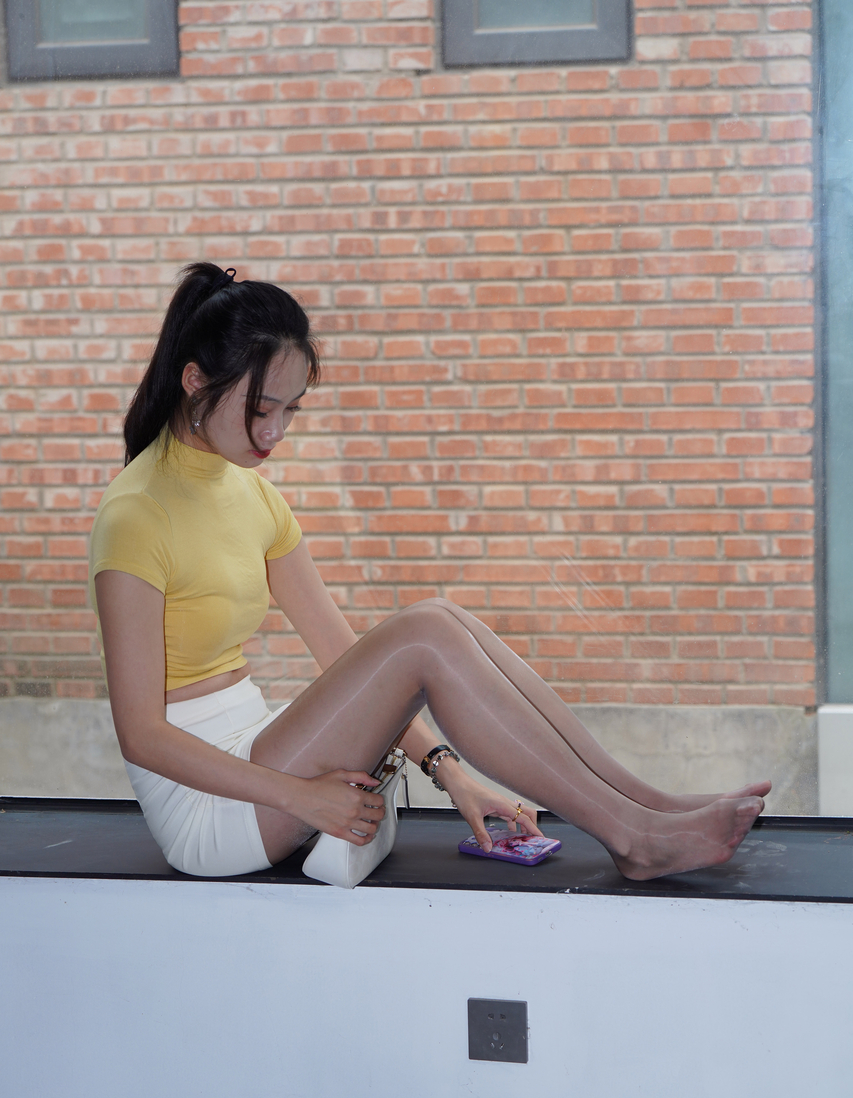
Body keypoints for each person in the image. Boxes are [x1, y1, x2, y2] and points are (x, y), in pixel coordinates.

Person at [88, 262, 770, 882]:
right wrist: (302, 797)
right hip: (207, 807)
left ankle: (648, 805)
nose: (276, 433)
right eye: (261, 409)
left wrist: (450, 774)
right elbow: (142, 736)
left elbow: (341, 654)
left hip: (258, 749)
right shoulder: (137, 515)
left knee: (439, 620)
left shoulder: (252, 494)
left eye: (291, 410)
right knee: (424, 631)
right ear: (195, 381)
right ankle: (634, 837)